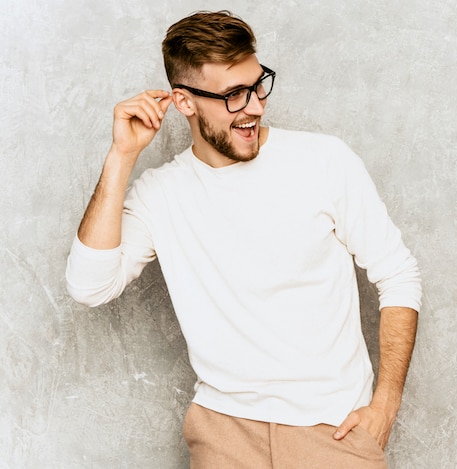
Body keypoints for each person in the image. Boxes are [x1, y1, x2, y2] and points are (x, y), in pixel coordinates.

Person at [66, 10, 421, 469]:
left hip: (334, 432)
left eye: (258, 86)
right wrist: (122, 156)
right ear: (185, 101)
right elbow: (88, 286)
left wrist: (385, 406)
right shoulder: (160, 194)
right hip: (223, 435)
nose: (254, 106)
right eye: (233, 95)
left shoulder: (324, 161)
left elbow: (399, 275)